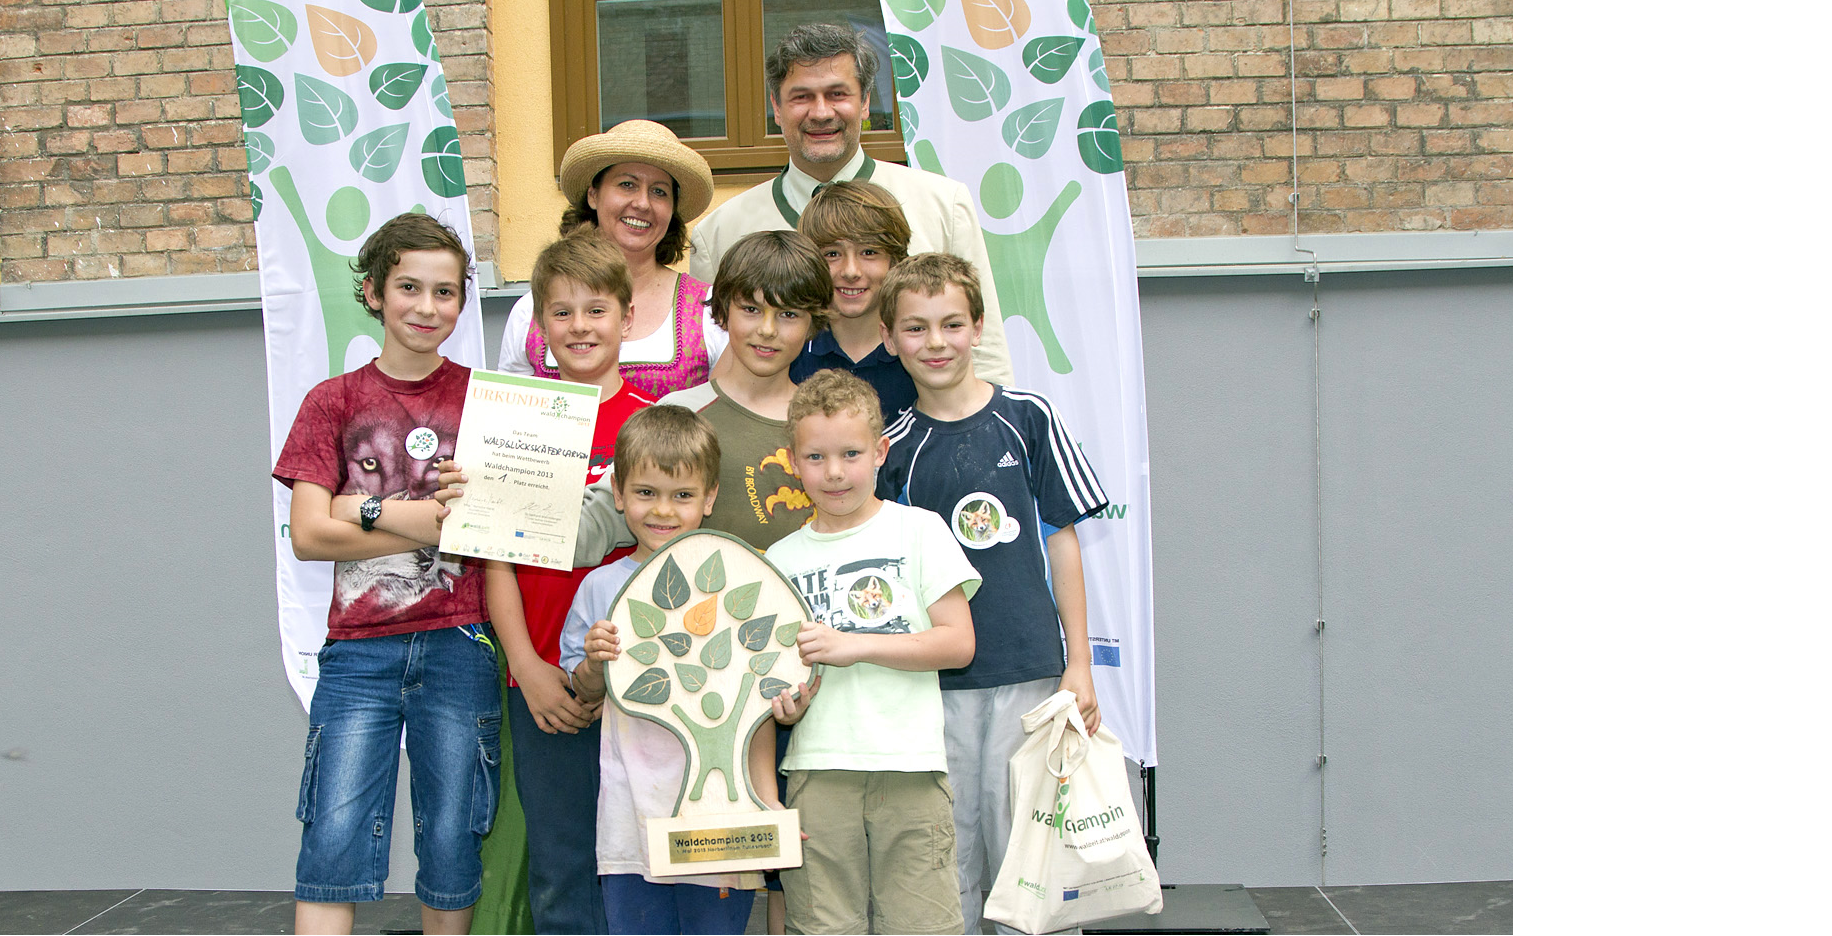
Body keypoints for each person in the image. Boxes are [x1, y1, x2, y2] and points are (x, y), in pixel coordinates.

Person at [272, 213, 497, 936]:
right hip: (358, 652)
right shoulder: (331, 402)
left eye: (445, 292)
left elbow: (477, 528)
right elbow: (309, 535)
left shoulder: (489, 402)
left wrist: (361, 507)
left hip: (463, 643)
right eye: (409, 288)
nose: (427, 308)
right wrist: (422, 514)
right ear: (373, 292)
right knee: (332, 835)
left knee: (452, 838)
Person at [874, 253, 1110, 933]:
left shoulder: (1029, 418)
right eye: (915, 328)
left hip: (1030, 675)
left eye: (952, 323)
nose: (936, 342)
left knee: (1032, 854)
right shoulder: (892, 447)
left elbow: (1063, 542)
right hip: (934, 689)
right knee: (949, 858)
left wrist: (1079, 663)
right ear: (889, 339)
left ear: (978, 325)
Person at [763, 369, 981, 935]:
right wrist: (786, 706)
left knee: (922, 925)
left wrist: (854, 645)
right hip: (816, 770)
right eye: (815, 457)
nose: (834, 472)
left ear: (881, 451)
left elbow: (958, 643)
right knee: (823, 926)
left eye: (851, 453)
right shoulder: (778, 559)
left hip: (909, 767)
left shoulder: (920, 530)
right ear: (792, 461)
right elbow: (775, 682)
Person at [484, 233, 656, 933]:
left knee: (640, 854)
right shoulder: (516, 424)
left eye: (596, 309)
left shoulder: (653, 424)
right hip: (541, 680)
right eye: (561, 313)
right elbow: (493, 558)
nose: (580, 327)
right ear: (539, 325)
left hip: (638, 677)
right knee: (560, 860)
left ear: (627, 318)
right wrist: (527, 666)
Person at [687, 23, 1016, 389]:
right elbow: (714, 371)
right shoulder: (720, 233)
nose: (821, 112)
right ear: (776, 108)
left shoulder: (942, 205)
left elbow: (985, 355)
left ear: (865, 103)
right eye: (802, 97)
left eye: (837, 93)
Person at [558, 405, 775, 934]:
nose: (663, 510)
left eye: (682, 495)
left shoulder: (738, 580)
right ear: (617, 493)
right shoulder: (600, 588)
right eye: (646, 492)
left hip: (720, 817)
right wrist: (592, 663)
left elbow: (765, 698)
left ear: (710, 498)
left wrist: (766, 800)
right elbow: (582, 693)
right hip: (630, 823)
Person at [499, 120, 727, 398]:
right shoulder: (529, 312)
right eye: (627, 184)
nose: (642, 203)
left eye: (659, 191)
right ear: (593, 195)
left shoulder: (708, 309)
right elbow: (512, 423)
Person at [651, 229, 829, 551]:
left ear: (811, 322)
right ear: (722, 310)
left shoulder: (828, 425)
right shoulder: (679, 414)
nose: (767, 330)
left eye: (788, 314)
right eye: (751, 309)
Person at [790, 180, 918, 423]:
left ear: (895, 260)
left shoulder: (917, 350)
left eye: (869, 252)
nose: (850, 271)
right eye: (832, 254)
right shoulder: (792, 350)